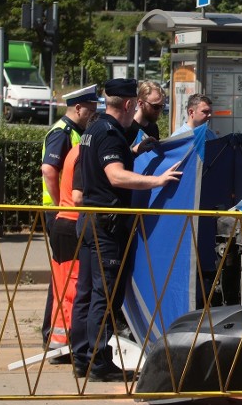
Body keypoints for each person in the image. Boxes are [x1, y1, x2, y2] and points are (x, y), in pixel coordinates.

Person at [71, 78, 181, 382]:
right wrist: (157, 181)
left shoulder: (95, 128)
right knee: (104, 295)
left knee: (86, 293)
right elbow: (116, 176)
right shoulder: (109, 134)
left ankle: (82, 357)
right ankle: (99, 363)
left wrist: (133, 151)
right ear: (131, 104)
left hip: (90, 218)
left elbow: (104, 166)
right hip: (106, 223)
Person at [40, 84, 98, 360]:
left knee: (62, 281)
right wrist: (58, 201)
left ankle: (56, 337)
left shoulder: (77, 134)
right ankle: (56, 338)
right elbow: (49, 169)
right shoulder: (63, 134)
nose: (93, 114)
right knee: (66, 281)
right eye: (91, 109)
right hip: (63, 213)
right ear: (78, 108)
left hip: (63, 212)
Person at [125, 80, 164, 149]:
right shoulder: (127, 128)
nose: (159, 111)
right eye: (155, 107)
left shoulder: (154, 127)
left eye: (161, 106)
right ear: (140, 103)